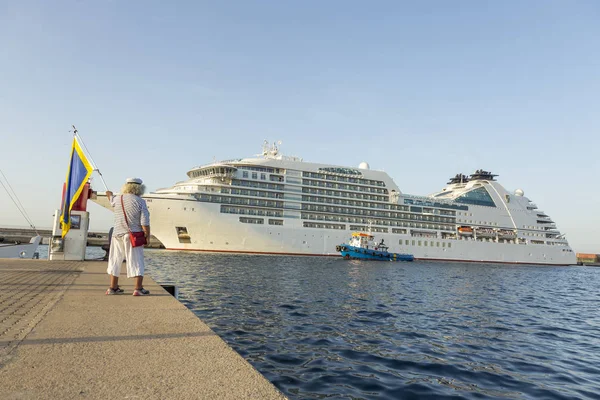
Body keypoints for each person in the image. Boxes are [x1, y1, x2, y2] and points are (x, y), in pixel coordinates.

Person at [105, 177, 151, 296]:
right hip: (133, 236)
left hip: (117, 234)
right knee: (137, 260)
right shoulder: (140, 202)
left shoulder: (117, 199)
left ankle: (112, 288)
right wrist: (148, 236)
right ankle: (138, 288)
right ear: (140, 188)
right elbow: (144, 222)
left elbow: (111, 200)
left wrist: (109, 194)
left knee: (115, 260)